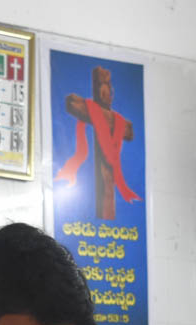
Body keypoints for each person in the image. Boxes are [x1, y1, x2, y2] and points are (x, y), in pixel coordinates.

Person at [54, 65, 140, 220]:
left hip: (111, 162)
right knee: (104, 182)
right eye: (103, 88)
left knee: (109, 184)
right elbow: (73, 103)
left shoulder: (117, 121)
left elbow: (126, 130)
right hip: (104, 164)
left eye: (108, 90)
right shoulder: (90, 109)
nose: (105, 94)